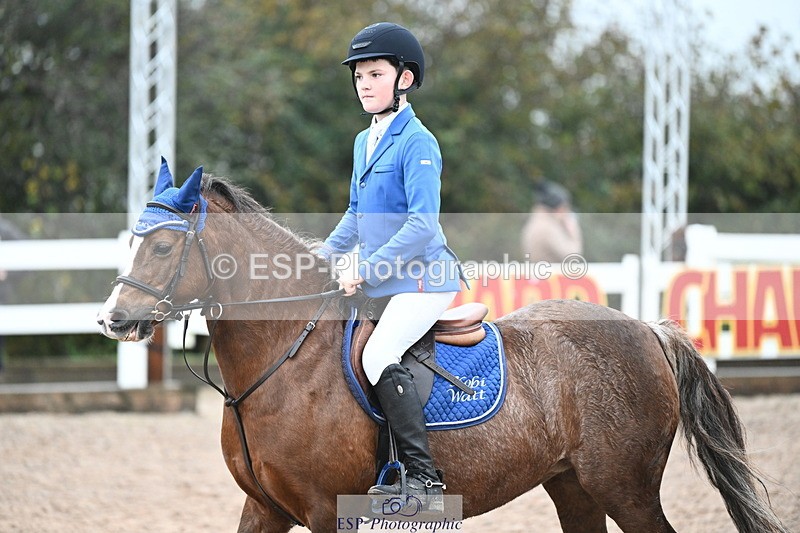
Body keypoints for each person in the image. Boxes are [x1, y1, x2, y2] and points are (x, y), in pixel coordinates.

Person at [318, 22, 462, 501]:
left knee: (378, 354)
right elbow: (356, 214)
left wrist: (365, 267)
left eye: (375, 74)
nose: (364, 84)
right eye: (359, 76)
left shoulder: (418, 142)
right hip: (384, 280)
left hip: (425, 279)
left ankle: (425, 477)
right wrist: (321, 257)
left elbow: (422, 225)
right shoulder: (365, 141)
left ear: (404, 79)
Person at [520, 180, 583, 264]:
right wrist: (573, 232)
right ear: (558, 208)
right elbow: (572, 257)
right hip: (552, 275)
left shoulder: (536, 222)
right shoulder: (548, 228)